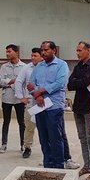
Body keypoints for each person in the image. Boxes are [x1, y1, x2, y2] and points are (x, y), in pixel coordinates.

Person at [30, 41, 71, 169]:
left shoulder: (61, 65)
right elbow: (31, 84)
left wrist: (41, 90)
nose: (43, 53)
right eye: (42, 50)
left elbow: (60, 83)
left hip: (54, 107)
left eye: (46, 50)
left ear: (54, 51)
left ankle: (58, 166)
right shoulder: (39, 66)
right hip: (40, 106)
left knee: (55, 137)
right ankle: (47, 164)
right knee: (43, 137)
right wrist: (38, 95)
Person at [68, 41, 90, 172]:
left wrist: (79, 81)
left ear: (89, 50)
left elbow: (87, 81)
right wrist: (79, 82)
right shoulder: (78, 66)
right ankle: (87, 165)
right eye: (77, 50)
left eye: (80, 50)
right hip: (78, 106)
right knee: (82, 137)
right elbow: (70, 84)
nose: (78, 53)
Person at [0, 44, 33, 158]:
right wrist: (12, 81)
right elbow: (1, 81)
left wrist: (11, 83)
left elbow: (24, 82)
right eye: (6, 51)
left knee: (21, 122)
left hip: (20, 98)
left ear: (16, 52)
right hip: (7, 98)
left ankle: (23, 144)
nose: (7, 54)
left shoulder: (24, 66)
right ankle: (4, 144)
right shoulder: (4, 67)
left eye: (9, 51)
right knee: (6, 121)